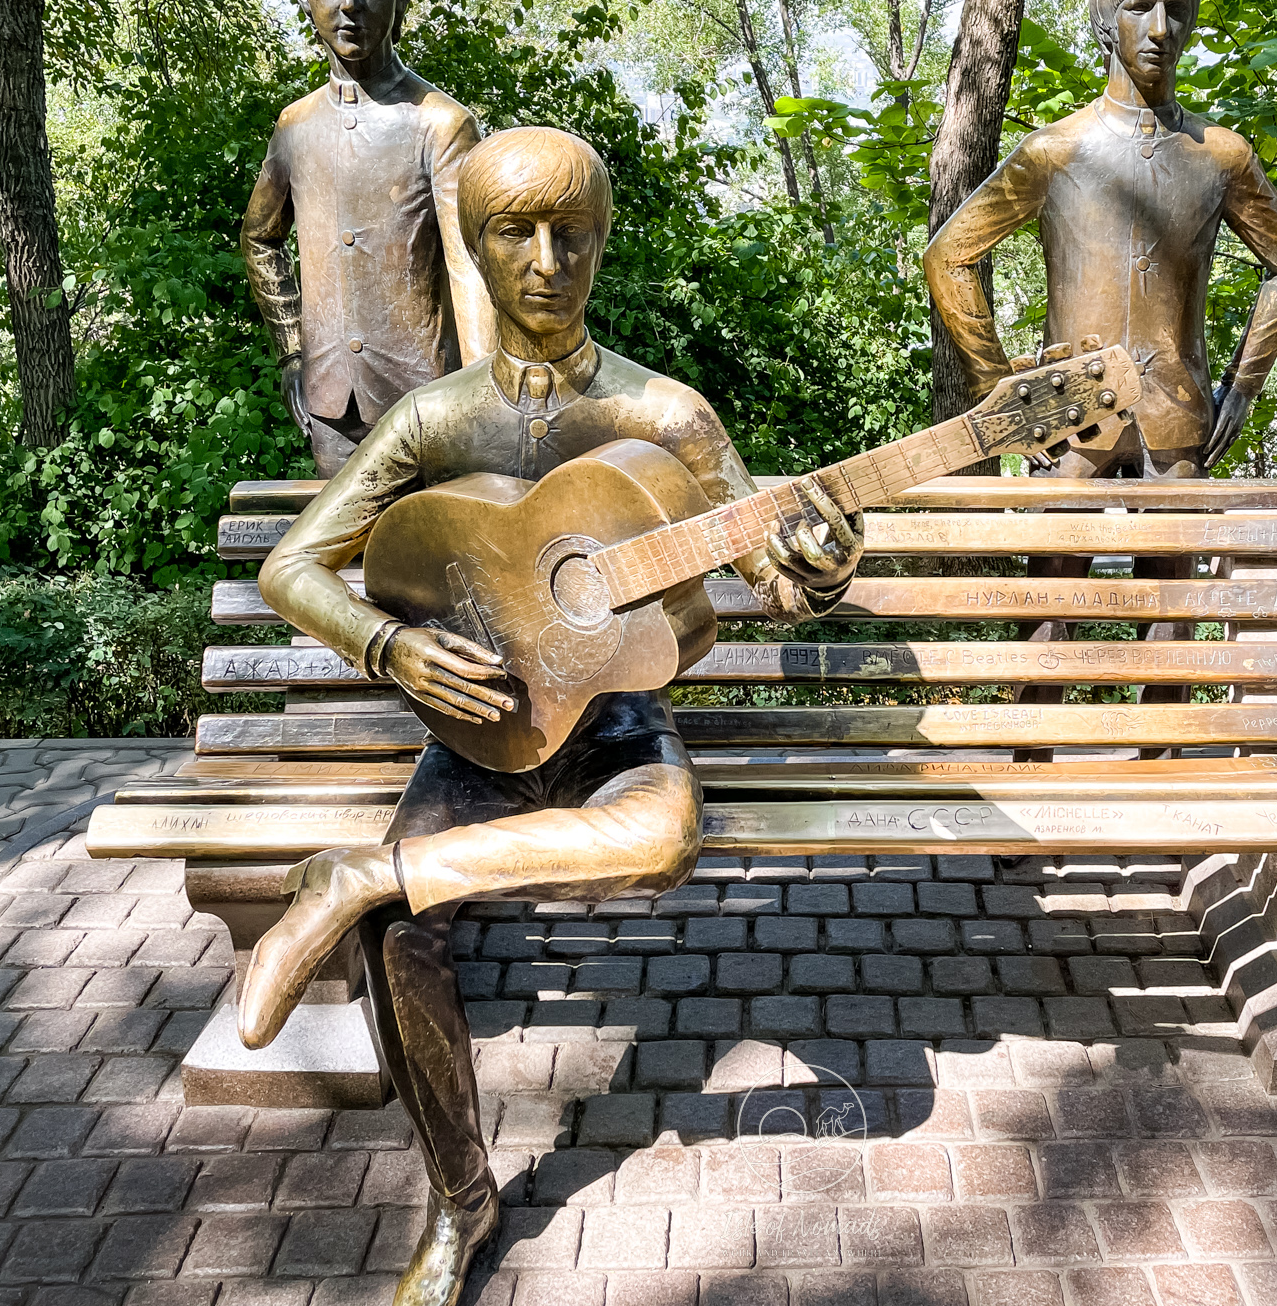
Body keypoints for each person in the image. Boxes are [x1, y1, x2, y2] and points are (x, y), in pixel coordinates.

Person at [239, 127, 863, 1306]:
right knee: (409, 936)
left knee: (663, 839)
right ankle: (459, 1203)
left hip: (617, 725)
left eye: (569, 232)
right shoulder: (434, 421)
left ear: (600, 243)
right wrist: (389, 645)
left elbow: (767, 570)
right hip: (479, 728)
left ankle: (358, 876)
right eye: (514, 233)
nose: (544, 258)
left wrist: (813, 566)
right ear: (473, 249)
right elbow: (294, 567)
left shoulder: (665, 413)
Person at [922, 0, 1277, 741]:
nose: (1161, 26)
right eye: (1140, 7)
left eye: (1177, 10)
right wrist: (1004, 391)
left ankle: (1161, 772)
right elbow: (949, 256)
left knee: (1169, 612)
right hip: (1067, 412)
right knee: (1048, 607)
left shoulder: (1220, 156)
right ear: (1106, 22)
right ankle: (1031, 777)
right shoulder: (1056, 151)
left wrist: (1241, 384)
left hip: (1176, 410)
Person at [242, 0, 496, 476]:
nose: (350, 1)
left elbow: (472, 266)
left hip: (429, 401)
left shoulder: (440, 122)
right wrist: (292, 350)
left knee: (428, 556)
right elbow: (260, 239)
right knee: (338, 560)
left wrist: (482, 399)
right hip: (333, 404)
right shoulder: (295, 127)